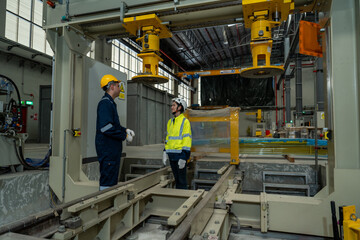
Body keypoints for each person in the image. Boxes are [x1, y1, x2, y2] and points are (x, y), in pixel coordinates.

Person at [96, 74, 135, 191]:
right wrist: (125, 136)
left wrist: (125, 130)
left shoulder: (110, 103)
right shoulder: (105, 103)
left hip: (112, 150)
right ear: (112, 86)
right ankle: (104, 203)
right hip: (108, 150)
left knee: (112, 180)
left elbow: (113, 125)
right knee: (107, 180)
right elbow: (106, 128)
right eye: (118, 85)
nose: (120, 88)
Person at [163, 98, 192, 189]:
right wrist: (165, 151)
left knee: (182, 181)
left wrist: (184, 157)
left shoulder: (185, 121)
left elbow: (187, 140)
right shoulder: (170, 122)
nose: (171, 107)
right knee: (177, 179)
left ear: (180, 107)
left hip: (180, 156)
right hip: (172, 156)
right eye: (172, 105)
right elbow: (168, 138)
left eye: (174, 105)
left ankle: (184, 198)